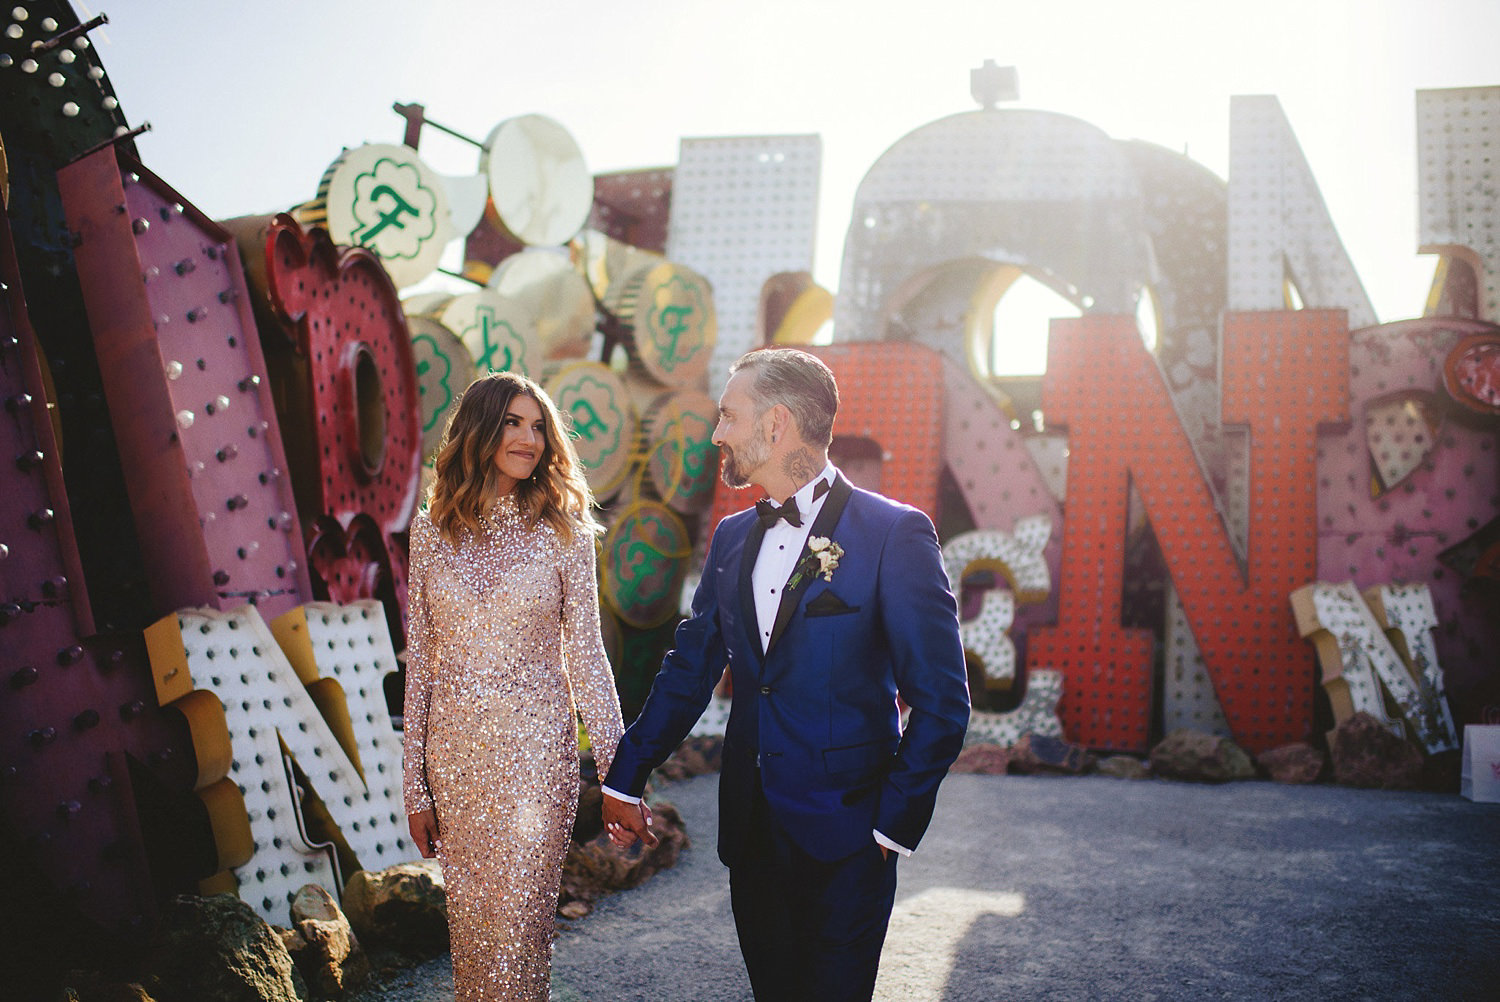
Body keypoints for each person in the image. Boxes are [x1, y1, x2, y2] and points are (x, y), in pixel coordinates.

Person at [602, 348, 971, 1001]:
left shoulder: (895, 534)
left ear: (775, 426)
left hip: (852, 836)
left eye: (728, 417)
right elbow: (692, 666)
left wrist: (889, 828)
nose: (718, 434)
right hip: (752, 830)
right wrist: (627, 777)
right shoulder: (731, 538)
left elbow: (943, 701)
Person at [402, 371, 624, 1002]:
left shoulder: (567, 535)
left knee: (519, 937)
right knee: (473, 941)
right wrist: (414, 786)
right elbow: (422, 664)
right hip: (456, 764)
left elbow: (587, 657)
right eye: (513, 423)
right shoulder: (428, 534)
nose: (529, 438)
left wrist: (619, 771)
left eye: (537, 426)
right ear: (480, 430)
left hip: (536, 764)